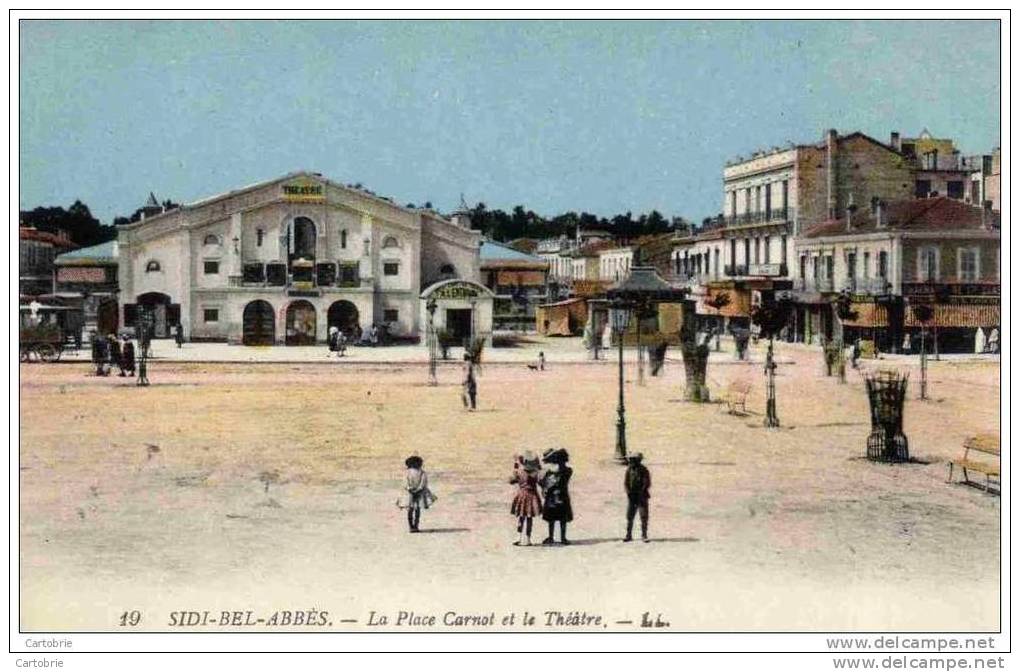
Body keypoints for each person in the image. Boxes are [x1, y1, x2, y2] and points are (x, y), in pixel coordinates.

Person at [540, 448, 573, 545]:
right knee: (563, 519)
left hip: (552, 498)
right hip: (563, 496)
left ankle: (551, 537)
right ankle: (563, 538)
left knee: (551, 519)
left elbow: (546, 483)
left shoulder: (550, 472)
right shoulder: (568, 471)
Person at [509, 452, 542, 546]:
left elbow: (511, 481)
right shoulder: (535, 473)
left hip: (522, 495)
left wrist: (515, 466)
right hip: (532, 496)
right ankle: (528, 539)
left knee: (521, 518)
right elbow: (541, 482)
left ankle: (518, 537)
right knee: (529, 518)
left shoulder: (519, 472)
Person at [402, 455, 435, 533]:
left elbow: (405, 483)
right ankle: (414, 526)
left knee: (411, 510)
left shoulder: (408, 472)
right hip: (419, 493)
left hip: (410, 493)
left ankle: (412, 527)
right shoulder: (422, 472)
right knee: (416, 510)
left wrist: (410, 489)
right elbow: (423, 483)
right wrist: (418, 490)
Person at [623, 452, 651, 543]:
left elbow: (647, 483)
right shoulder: (629, 470)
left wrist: (641, 491)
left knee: (643, 516)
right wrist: (628, 492)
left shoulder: (644, 470)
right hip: (632, 497)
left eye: (633, 459)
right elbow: (626, 482)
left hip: (642, 496)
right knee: (630, 516)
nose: (631, 461)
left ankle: (644, 535)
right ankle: (628, 534)